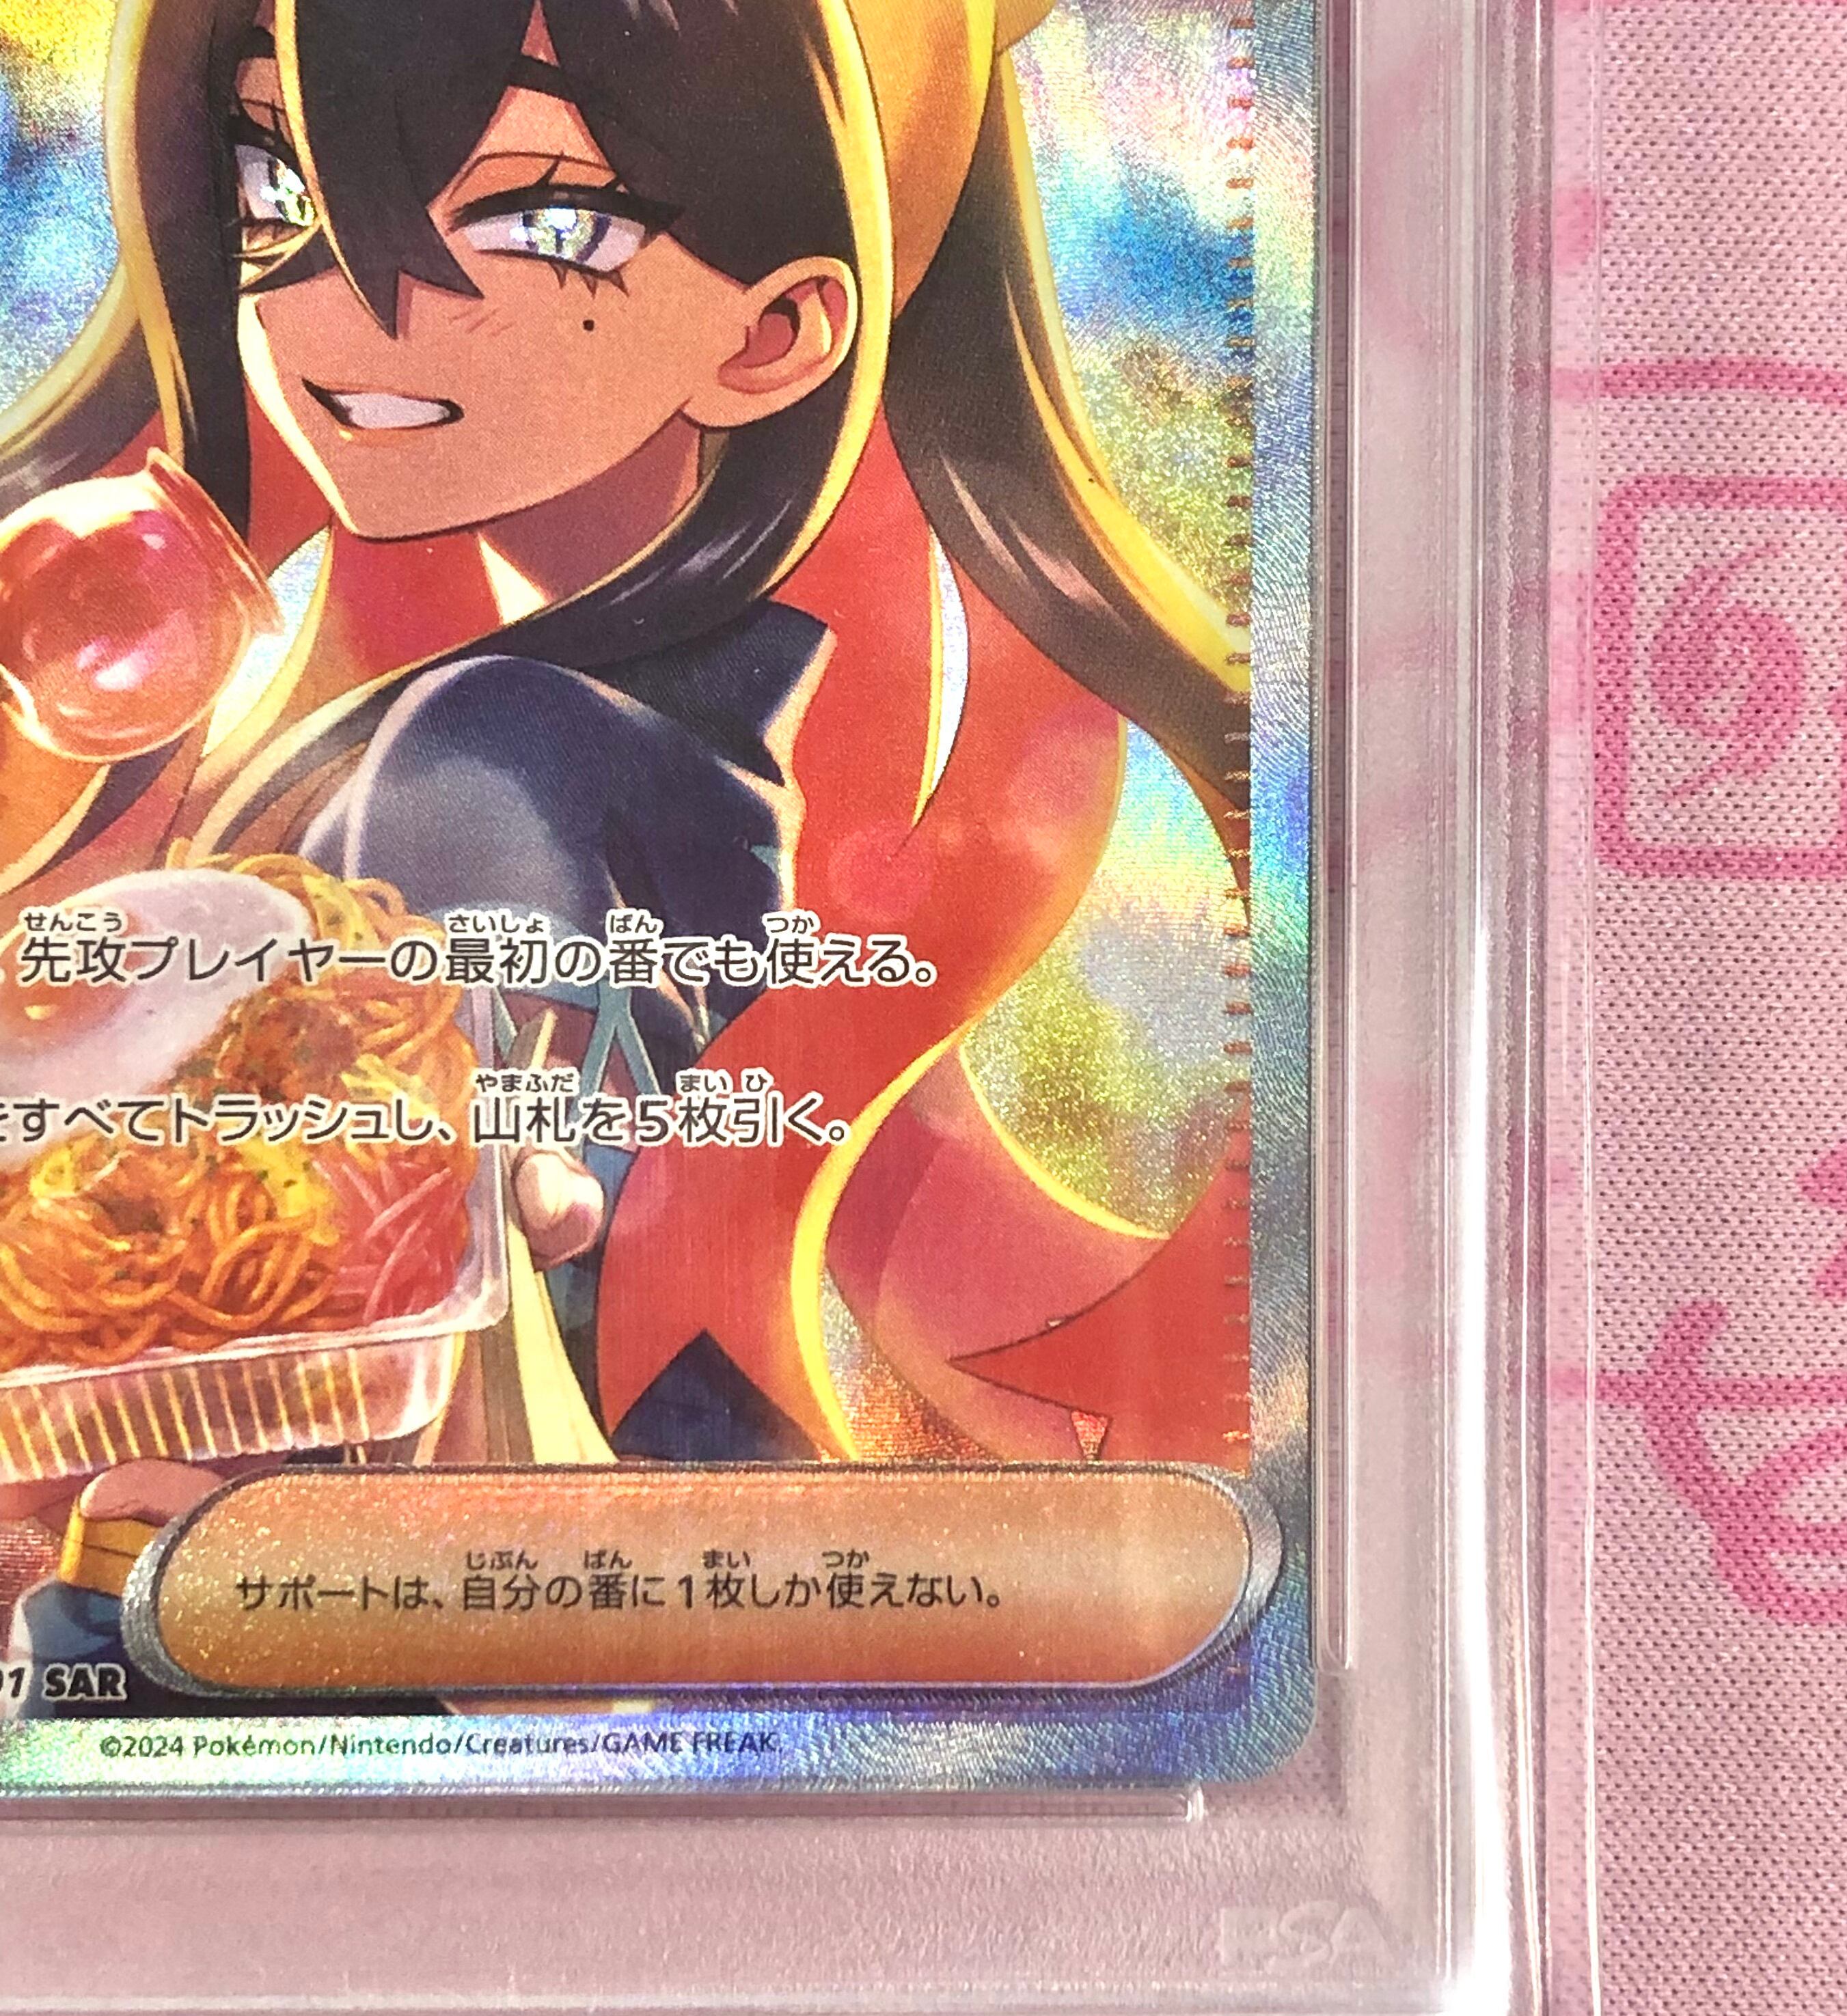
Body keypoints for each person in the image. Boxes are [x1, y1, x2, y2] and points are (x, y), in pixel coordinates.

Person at [0, 0, 1253, 1647]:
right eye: (277, 192)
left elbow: (501, 1318)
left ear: (777, 329)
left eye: (545, 219)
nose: (347, 303)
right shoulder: (484, 724)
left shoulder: (502, 755)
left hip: (434, 1584)